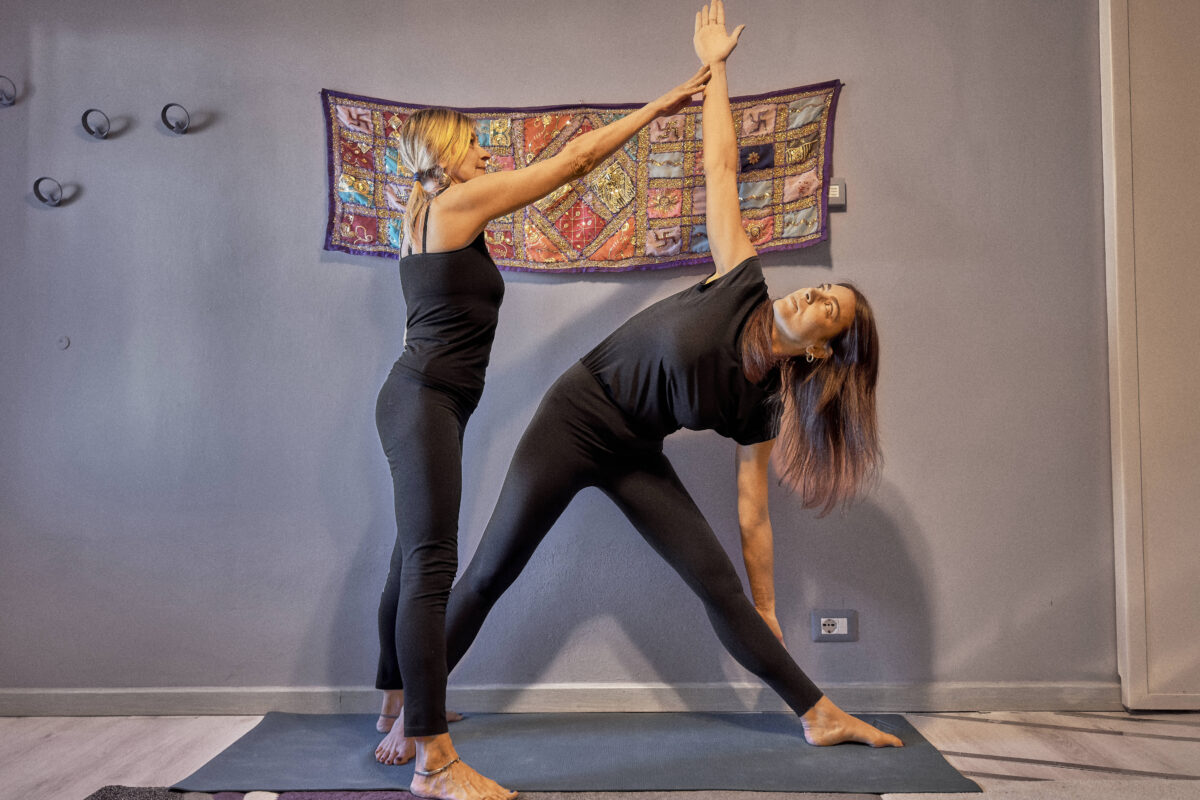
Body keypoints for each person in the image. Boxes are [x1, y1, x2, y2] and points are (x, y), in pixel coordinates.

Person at [440, 0, 903, 754]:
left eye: (830, 310)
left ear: (824, 349)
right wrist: (719, 67)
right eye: (825, 288)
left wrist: (767, 607)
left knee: (717, 584)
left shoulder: (762, 406)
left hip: (631, 450)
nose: (814, 296)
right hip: (574, 416)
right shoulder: (741, 280)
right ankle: (408, 706)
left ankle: (818, 713)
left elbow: (753, 518)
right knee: (492, 570)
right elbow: (719, 167)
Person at [374, 65, 713, 800]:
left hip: (421, 400)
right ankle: (434, 762)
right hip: (425, 400)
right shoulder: (457, 202)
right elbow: (574, 162)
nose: (486, 155)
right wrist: (658, 105)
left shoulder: (420, 214)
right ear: (443, 152)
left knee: (411, 559)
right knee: (432, 565)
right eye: (473, 145)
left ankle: (398, 706)